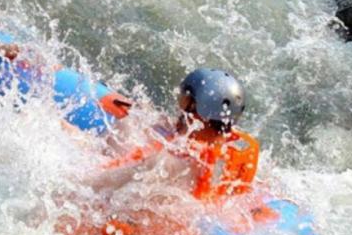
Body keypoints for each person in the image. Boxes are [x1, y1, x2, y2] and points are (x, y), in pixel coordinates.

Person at [82, 68, 260, 200]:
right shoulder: (239, 153)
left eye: (183, 98)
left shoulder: (166, 162)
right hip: (205, 212)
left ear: (192, 106)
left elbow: (94, 182)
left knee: (124, 128)